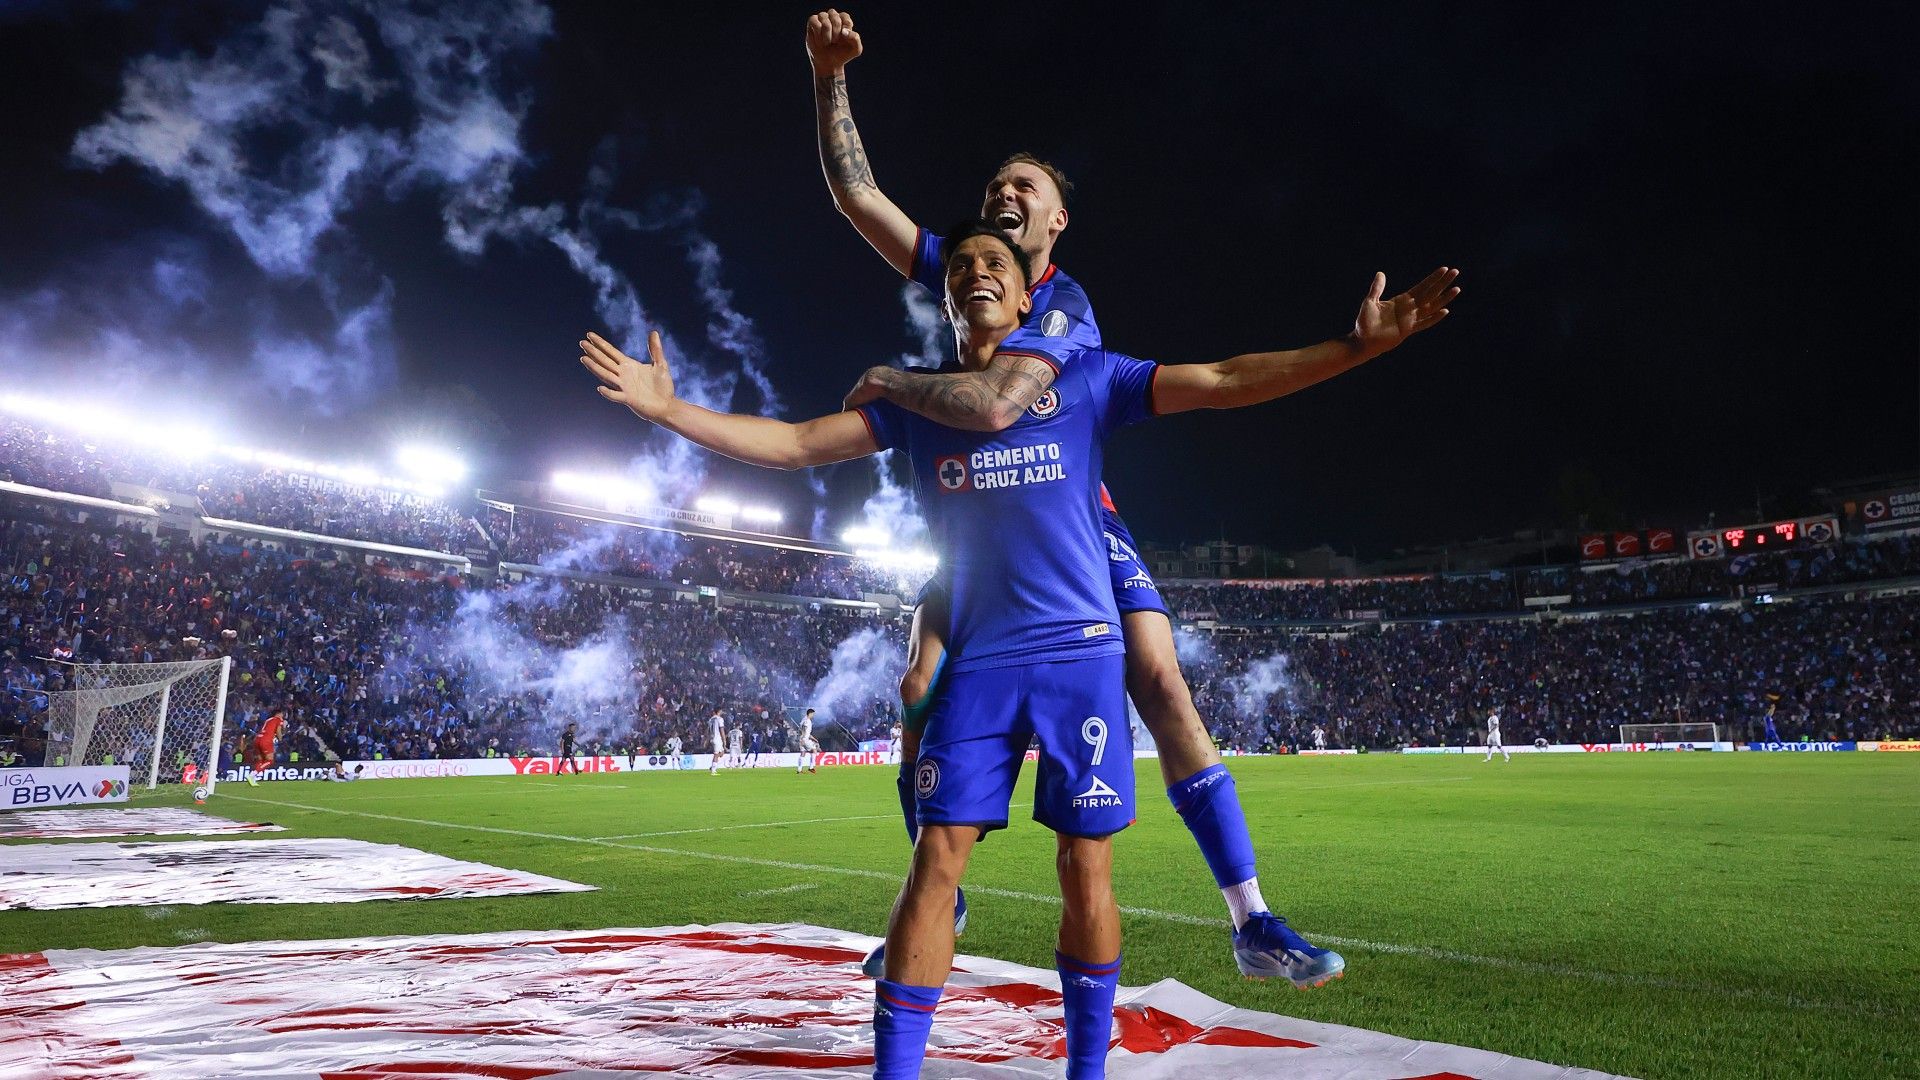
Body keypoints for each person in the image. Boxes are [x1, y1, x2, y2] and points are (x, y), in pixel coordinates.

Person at [578, 220, 1454, 1077]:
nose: (974, 271)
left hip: (1080, 657)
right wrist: (669, 412)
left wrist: (1354, 349)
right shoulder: (914, 402)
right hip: (984, 661)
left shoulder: (1087, 378)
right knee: (934, 865)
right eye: (958, 264)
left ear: (1031, 287)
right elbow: (800, 443)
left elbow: (1225, 377)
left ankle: (1087, 1070)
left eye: (994, 259)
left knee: (1086, 871)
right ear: (946, 297)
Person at [805, 9, 1459, 982]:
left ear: (1057, 222)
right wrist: (827, 79)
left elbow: (1016, 403)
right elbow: (859, 195)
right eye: (993, 191)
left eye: (1022, 189)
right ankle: (939, 886)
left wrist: (1352, 349)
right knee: (913, 684)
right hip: (972, 525)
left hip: (1065, 528)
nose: (1001, 199)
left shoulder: (1063, 307)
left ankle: (1252, 917)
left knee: (1159, 680)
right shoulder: (974, 264)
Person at [243, 711, 286, 787]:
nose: (283, 716)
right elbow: (278, 731)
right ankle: (252, 775)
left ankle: (253, 779)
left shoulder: (268, 720)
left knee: (260, 760)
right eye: (282, 714)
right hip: (266, 740)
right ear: (279, 714)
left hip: (257, 739)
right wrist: (281, 739)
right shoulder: (278, 719)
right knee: (270, 760)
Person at [796, 708, 821, 774]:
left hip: (801, 738)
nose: (813, 715)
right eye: (813, 714)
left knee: (803, 753)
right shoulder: (807, 721)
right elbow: (804, 729)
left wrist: (814, 739)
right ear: (810, 714)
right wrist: (803, 738)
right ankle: (811, 767)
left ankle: (799, 770)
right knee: (814, 750)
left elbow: (805, 732)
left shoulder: (803, 719)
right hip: (805, 739)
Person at [708, 710, 726, 776]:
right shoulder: (720, 719)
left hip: (712, 738)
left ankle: (712, 766)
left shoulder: (710, 719)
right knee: (716, 754)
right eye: (721, 711)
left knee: (721, 753)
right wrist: (724, 740)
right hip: (717, 738)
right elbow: (721, 729)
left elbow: (708, 730)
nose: (722, 712)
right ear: (719, 711)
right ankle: (713, 771)